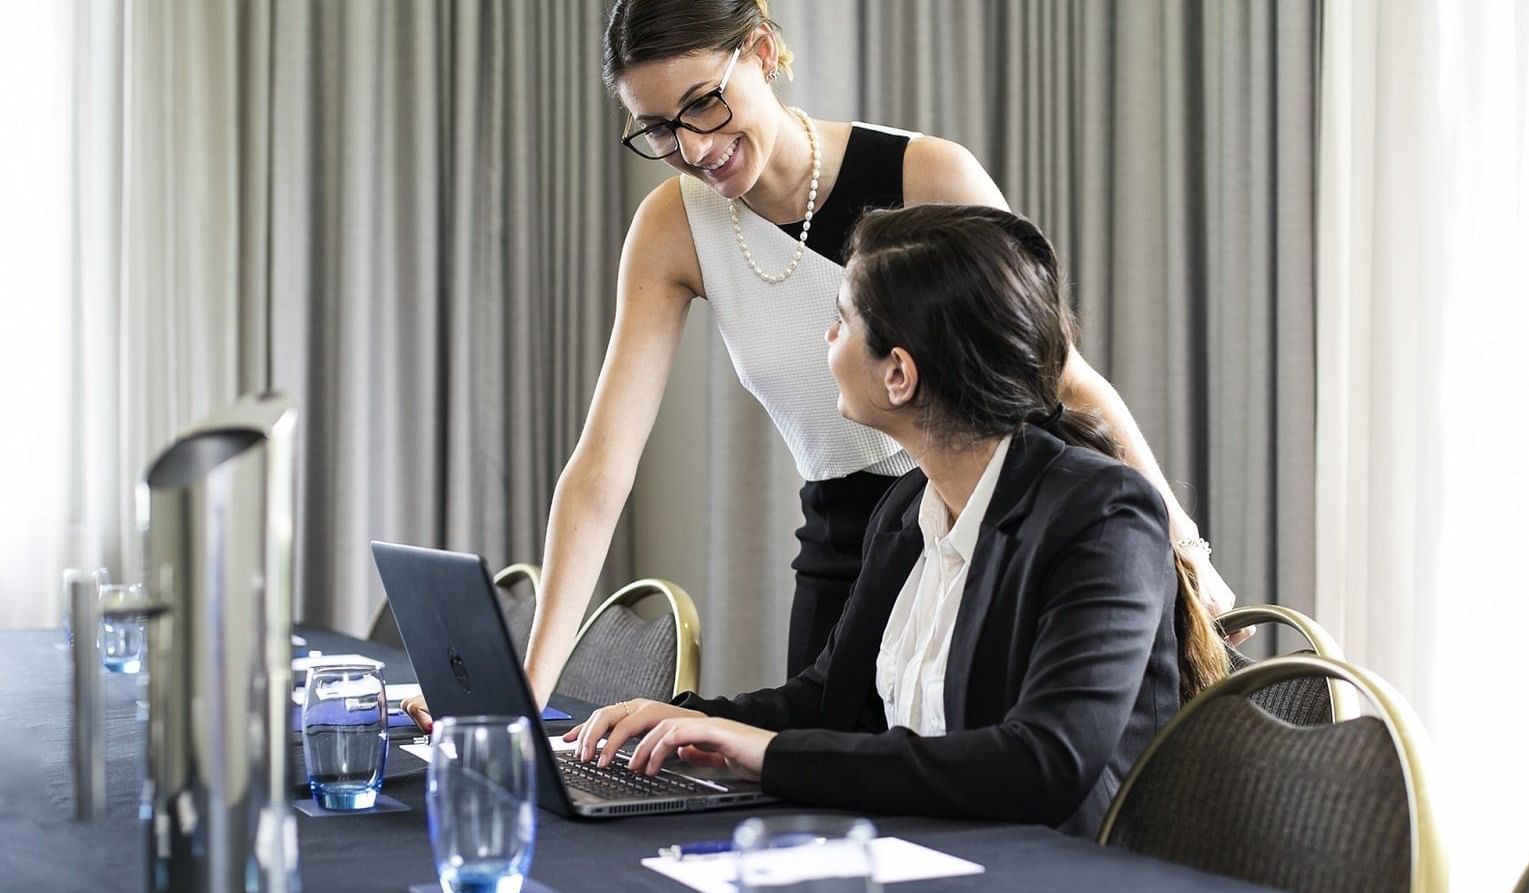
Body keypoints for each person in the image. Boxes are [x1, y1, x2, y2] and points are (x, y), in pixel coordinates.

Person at [404, 0, 1235, 730]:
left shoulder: (923, 173)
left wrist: (1183, 551)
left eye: (703, 104)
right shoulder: (672, 228)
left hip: (993, 532)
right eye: (658, 129)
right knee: (817, 798)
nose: (692, 148)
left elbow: (1064, 379)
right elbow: (601, 468)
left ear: (761, 52)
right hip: (850, 549)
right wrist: (524, 691)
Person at [562, 204, 1229, 833]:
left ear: (899, 376)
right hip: (924, 854)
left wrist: (767, 754)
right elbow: (829, 698)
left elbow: (1043, 764)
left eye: (841, 321)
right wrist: (683, 721)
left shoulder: (1102, 517)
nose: (827, 338)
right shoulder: (907, 506)